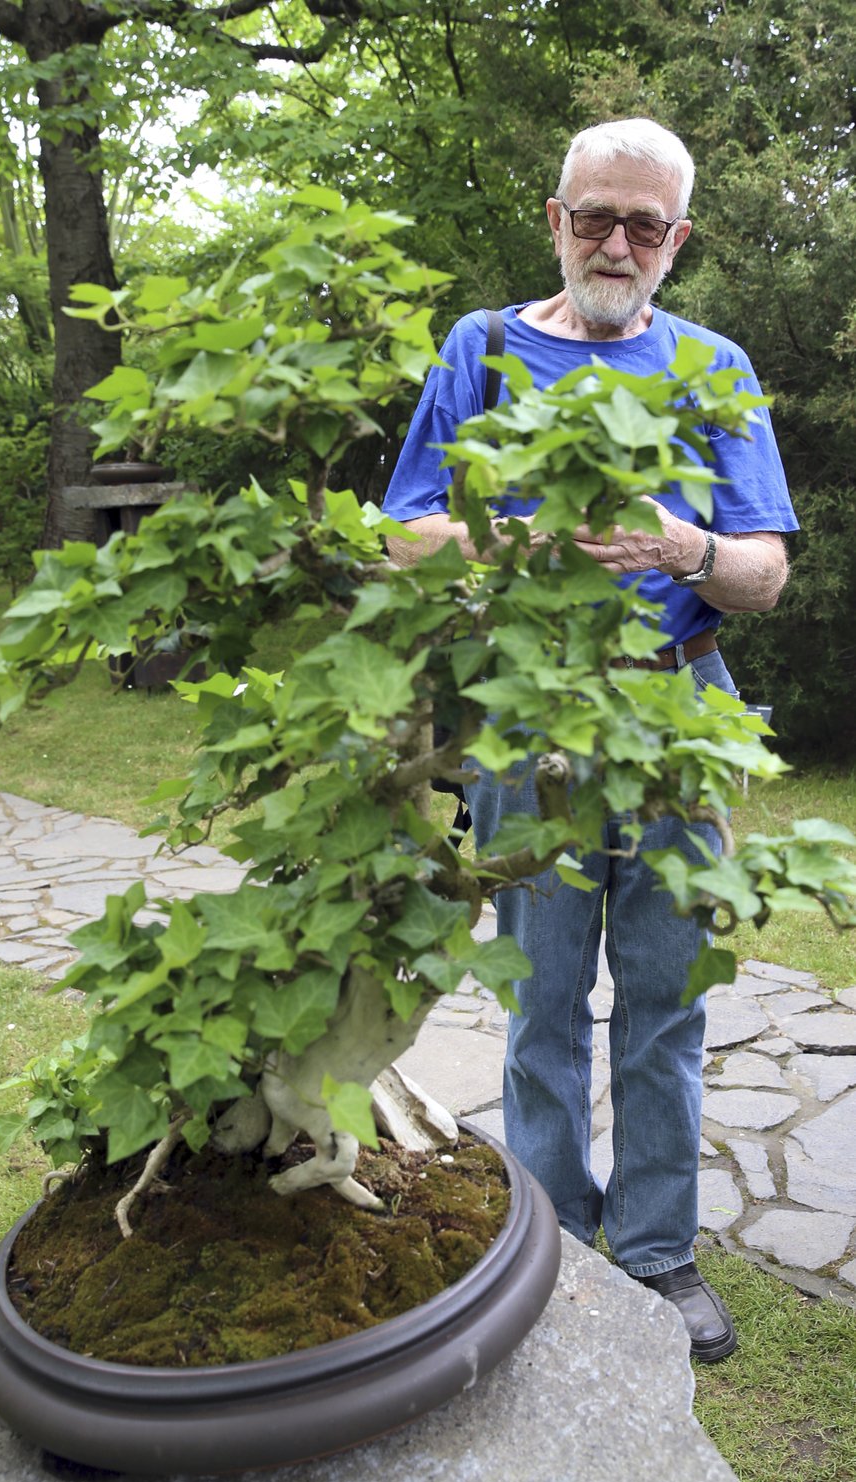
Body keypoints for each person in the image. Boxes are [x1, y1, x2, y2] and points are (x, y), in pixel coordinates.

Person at [383, 117, 798, 1361]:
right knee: (544, 998)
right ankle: (553, 1243)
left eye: (645, 225)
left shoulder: (714, 365)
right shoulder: (485, 349)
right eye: (595, 217)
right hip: (531, 715)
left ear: (678, 241)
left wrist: (685, 547)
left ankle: (661, 1256)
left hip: (680, 704)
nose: (616, 242)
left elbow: (765, 576)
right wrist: (528, 544)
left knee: (668, 1001)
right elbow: (402, 536)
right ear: (555, 221)